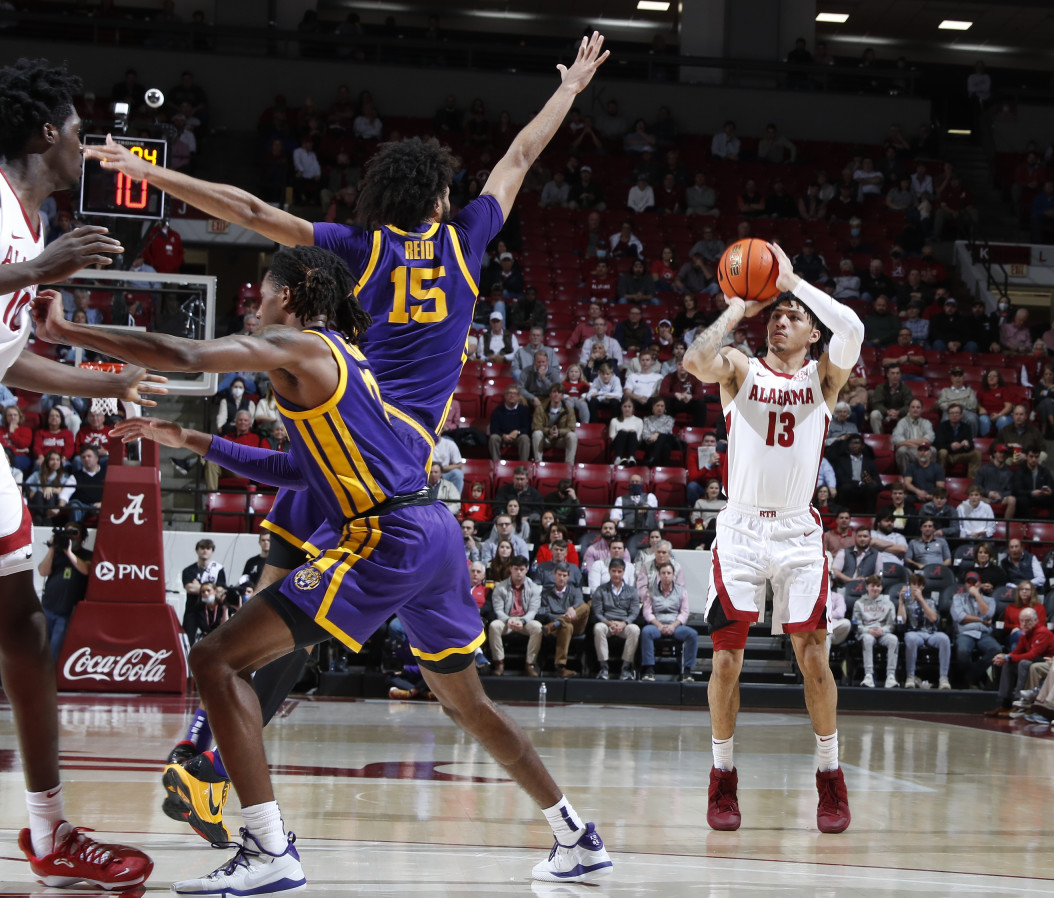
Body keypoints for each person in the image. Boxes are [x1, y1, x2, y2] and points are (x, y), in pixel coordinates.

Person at [41, 244, 613, 891]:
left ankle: (267, 850)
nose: (255, 305)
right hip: (433, 532)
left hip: (386, 537)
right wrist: (190, 438)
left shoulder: (303, 347)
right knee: (469, 703)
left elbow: (190, 357)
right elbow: (296, 470)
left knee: (215, 658)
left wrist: (68, 332)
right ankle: (576, 837)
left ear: (294, 291)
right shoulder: (346, 362)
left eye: (260, 293)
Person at [0, 56, 172, 890]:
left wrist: (108, 382)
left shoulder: (32, 228)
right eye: (76, 132)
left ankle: (48, 831)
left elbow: (10, 361)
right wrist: (34, 274)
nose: (84, 145)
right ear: (45, 134)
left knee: (22, 628)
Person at [683, 242, 859, 834]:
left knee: (813, 657)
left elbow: (853, 326)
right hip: (740, 529)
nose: (780, 322)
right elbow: (694, 361)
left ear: (812, 333)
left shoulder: (825, 377)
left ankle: (829, 775)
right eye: (776, 315)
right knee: (726, 661)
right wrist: (738, 306)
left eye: (792, 318)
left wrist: (794, 282)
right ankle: (722, 775)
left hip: (797, 532)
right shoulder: (740, 366)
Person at [35, 521, 90, 663]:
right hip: (48, 608)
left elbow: (86, 570)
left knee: (54, 652)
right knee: (39, 649)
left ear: (82, 536)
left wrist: (69, 552)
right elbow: (42, 571)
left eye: (74, 533)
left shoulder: (87, 555)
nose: (71, 537)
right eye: (68, 533)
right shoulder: (57, 554)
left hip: (66, 613)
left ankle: (50, 682)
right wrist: (52, 549)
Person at [639, 561, 698, 681]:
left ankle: (687, 671)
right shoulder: (651, 591)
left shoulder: (682, 591)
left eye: (669, 573)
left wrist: (673, 626)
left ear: (673, 575)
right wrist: (659, 625)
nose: (666, 575)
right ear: (659, 575)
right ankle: (649, 670)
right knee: (646, 632)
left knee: (692, 634)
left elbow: (685, 612)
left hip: (675, 626)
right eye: (663, 573)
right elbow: (647, 612)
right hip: (657, 625)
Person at [487, 557, 543, 676]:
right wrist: (508, 620)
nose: (519, 572)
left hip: (525, 621)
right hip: (506, 620)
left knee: (537, 627)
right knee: (494, 625)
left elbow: (533, 611)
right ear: (510, 569)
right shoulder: (500, 587)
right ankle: (499, 662)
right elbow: (498, 610)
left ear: (526, 570)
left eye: (521, 569)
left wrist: (522, 621)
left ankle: (530, 664)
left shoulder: (534, 588)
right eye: (516, 569)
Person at [897, 573, 951, 689]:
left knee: (944, 638)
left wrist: (921, 599)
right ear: (910, 586)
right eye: (913, 584)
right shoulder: (906, 602)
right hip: (914, 633)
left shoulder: (930, 601)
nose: (916, 587)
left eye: (919, 585)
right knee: (910, 639)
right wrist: (901, 602)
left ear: (923, 587)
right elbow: (901, 621)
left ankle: (944, 678)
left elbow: (933, 618)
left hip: (931, 633)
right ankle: (910, 676)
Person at [591, 558, 641, 680]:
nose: (616, 574)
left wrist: (624, 623)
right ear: (609, 571)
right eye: (614, 571)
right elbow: (597, 612)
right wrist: (609, 623)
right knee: (598, 628)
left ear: (624, 572)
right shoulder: (601, 590)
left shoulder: (632, 590)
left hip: (624, 624)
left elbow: (634, 612)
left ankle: (626, 667)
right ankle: (603, 667)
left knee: (635, 629)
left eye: (619, 571)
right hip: (607, 623)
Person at [536, 562, 589, 678]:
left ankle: (556, 623)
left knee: (585, 606)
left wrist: (572, 608)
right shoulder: (545, 594)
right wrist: (563, 617)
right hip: (559, 628)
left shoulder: (575, 590)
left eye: (564, 575)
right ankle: (560, 667)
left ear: (568, 577)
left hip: (576, 625)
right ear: (554, 575)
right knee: (566, 626)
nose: (561, 578)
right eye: (559, 575)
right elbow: (544, 613)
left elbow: (580, 603)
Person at [852, 575, 898, 688]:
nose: (875, 589)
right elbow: (856, 624)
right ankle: (869, 675)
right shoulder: (859, 603)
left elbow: (891, 625)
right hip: (866, 632)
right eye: (873, 586)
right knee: (867, 639)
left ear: (881, 588)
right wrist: (868, 630)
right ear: (867, 587)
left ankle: (891, 676)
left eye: (878, 586)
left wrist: (882, 630)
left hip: (883, 632)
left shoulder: (888, 603)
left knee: (894, 639)